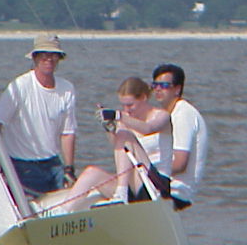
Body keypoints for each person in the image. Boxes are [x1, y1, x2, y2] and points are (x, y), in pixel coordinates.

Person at [37, 77, 172, 212]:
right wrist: (110, 129)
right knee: (91, 173)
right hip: (131, 185)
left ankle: (121, 193)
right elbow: (119, 149)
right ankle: (63, 211)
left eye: (130, 105)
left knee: (124, 135)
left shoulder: (161, 116)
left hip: (155, 185)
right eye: (123, 106)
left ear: (143, 98)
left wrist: (119, 116)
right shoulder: (124, 120)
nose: (127, 110)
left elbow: (148, 128)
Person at [0, 33, 77, 195]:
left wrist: (69, 168)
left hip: (53, 164)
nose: (49, 59)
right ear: (35, 57)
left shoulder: (67, 89)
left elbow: (68, 133)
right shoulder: (19, 86)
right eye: (44, 55)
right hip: (22, 165)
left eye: (54, 55)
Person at [151, 63, 208, 210]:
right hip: (162, 187)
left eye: (164, 85)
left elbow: (180, 163)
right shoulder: (168, 114)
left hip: (177, 193)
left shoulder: (183, 114)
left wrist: (147, 174)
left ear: (177, 89)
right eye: (155, 85)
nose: (158, 89)